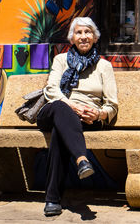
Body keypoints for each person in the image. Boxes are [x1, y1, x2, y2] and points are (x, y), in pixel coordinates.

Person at [36, 17, 118, 216]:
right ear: (72, 38)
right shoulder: (61, 60)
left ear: (95, 38)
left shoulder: (104, 66)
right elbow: (51, 90)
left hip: (87, 119)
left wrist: (98, 114)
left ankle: (52, 199)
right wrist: (72, 106)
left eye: (88, 32)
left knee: (61, 131)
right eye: (79, 33)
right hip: (54, 109)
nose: (83, 37)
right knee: (62, 111)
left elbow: (112, 105)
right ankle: (82, 159)